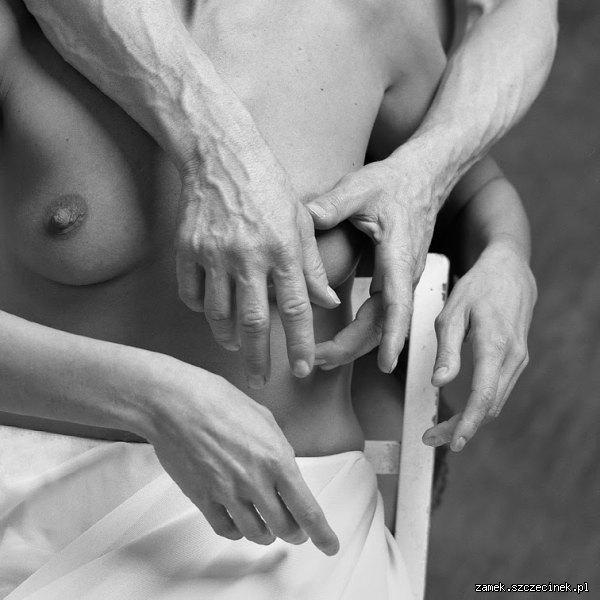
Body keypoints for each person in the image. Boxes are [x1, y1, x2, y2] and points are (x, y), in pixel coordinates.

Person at [0, 0, 537, 597]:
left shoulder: (374, 20)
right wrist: (156, 400)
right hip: (39, 514)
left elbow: (469, 192)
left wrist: (505, 257)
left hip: (295, 533)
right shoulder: (21, 34)